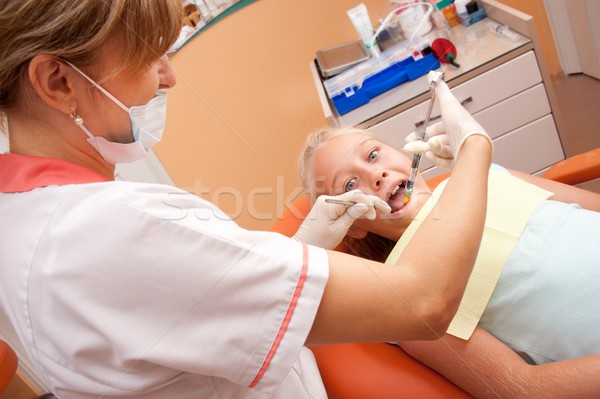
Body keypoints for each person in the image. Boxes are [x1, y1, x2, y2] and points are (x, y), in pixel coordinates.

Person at [0, 1, 494, 398]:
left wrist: (302, 246)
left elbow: (195, 311)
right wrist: (474, 147)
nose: (168, 77)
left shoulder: (18, 221)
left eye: (374, 153)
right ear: (58, 82)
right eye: (149, 58)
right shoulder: (113, 231)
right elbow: (426, 300)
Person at [298, 95, 600, 396]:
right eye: (349, 185)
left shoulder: (488, 175)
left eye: (373, 155)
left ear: (405, 154)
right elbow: (527, 390)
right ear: (354, 227)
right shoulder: (403, 298)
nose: (375, 176)